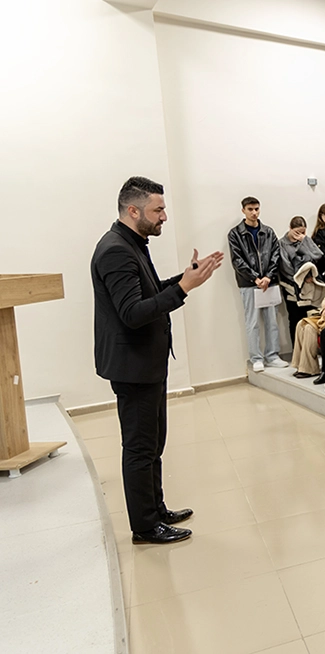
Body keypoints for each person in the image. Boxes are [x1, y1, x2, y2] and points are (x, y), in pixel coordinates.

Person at [92, 176, 223, 544]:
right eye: (158, 209)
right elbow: (133, 312)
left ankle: (156, 509)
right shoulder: (115, 250)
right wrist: (183, 289)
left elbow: (145, 292)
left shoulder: (132, 242)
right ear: (133, 211)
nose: (164, 216)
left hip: (145, 362)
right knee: (139, 447)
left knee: (153, 443)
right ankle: (145, 527)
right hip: (132, 366)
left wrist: (185, 278)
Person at [228, 196, 289, 372]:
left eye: (256, 209)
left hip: (270, 284)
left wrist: (268, 277)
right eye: (250, 209)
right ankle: (256, 358)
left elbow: (275, 256)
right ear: (243, 211)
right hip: (248, 284)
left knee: (272, 321)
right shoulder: (235, 234)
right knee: (252, 322)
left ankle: (272, 355)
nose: (254, 213)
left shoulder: (268, 232)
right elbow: (237, 260)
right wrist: (255, 278)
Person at [279, 216, 325, 342]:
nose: (299, 235)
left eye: (303, 232)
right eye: (297, 232)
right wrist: (301, 278)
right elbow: (285, 267)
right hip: (292, 287)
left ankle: (310, 349)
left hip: (309, 287)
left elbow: (318, 255)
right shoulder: (282, 243)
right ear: (290, 228)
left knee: (310, 318)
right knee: (295, 319)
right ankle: (296, 351)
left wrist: (305, 240)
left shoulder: (305, 240)